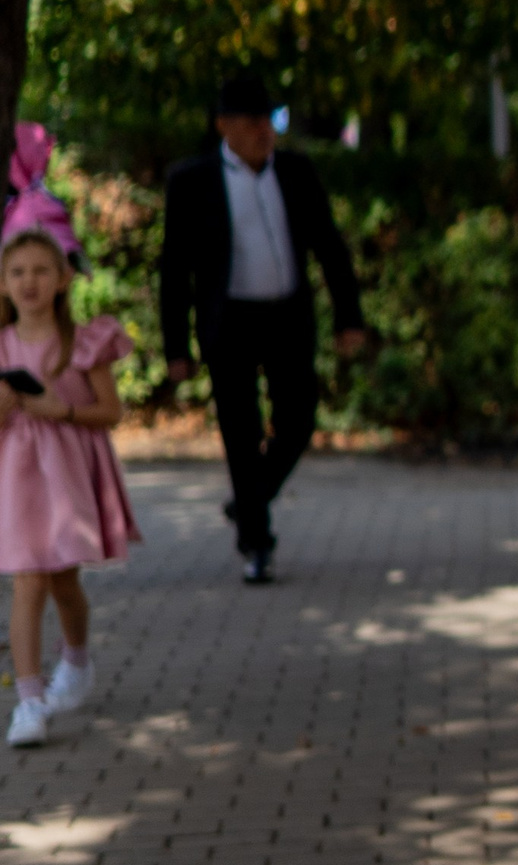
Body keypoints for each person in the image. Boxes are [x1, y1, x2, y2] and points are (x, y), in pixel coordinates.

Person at [159, 77, 367, 583]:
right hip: (229, 321)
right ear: (223, 126)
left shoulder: (296, 171)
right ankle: (256, 541)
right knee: (241, 431)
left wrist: (349, 316)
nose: (263, 131)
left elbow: (329, 246)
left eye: (268, 121)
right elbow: (175, 269)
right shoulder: (192, 181)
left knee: (298, 419)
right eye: (251, 121)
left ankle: (249, 499)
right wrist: (176, 347)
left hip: (286, 316)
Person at [1, 184, 141, 750]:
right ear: (3, 283)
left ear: (62, 279)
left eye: (41, 270)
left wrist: (62, 410)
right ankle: (29, 700)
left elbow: (111, 411)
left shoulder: (83, 342)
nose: (29, 282)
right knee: (28, 579)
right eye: (17, 272)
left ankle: (77, 659)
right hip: (16, 478)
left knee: (63, 582)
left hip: (65, 478)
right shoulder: (1, 346)